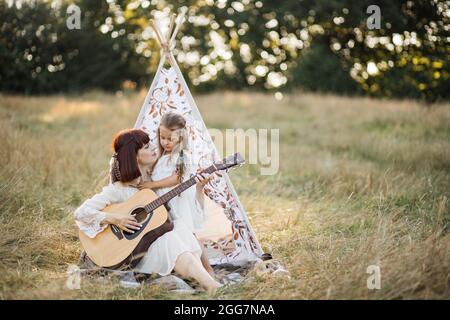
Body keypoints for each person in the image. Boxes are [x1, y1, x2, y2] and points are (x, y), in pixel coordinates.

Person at [74, 128, 222, 294]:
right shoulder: (118, 190)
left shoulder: (156, 185)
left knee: (180, 227)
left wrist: (199, 188)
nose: (153, 148)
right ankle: (214, 288)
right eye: (146, 147)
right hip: (133, 257)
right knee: (172, 239)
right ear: (134, 156)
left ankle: (209, 285)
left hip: (153, 248)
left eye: (151, 144)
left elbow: (194, 222)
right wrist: (114, 219)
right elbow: (81, 212)